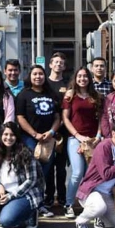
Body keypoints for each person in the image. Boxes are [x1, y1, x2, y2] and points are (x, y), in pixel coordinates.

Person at [0, 122, 45, 228]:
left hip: (25, 194)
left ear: (17, 137)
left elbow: (31, 180)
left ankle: (31, 213)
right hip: (5, 191)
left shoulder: (25, 154)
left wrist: (10, 197)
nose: (8, 138)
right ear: (0, 136)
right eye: (5, 134)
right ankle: (10, 209)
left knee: (6, 221)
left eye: (12, 135)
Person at [15, 65, 61, 218]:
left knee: (44, 172)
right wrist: (34, 134)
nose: (38, 77)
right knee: (31, 172)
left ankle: (40, 204)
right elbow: (20, 117)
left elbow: (57, 117)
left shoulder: (51, 94)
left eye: (41, 74)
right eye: (35, 74)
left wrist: (51, 132)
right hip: (30, 138)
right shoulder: (23, 95)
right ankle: (30, 204)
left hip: (48, 139)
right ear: (30, 76)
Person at [62, 67, 101, 219]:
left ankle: (88, 204)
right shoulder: (69, 96)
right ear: (75, 78)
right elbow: (65, 118)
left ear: (89, 79)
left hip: (93, 140)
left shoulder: (96, 96)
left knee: (89, 174)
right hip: (75, 139)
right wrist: (78, 136)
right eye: (80, 76)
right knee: (77, 173)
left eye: (85, 76)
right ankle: (69, 204)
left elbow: (100, 118)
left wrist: (98, 136)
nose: (82, 79)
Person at [45, 52, 70, 210]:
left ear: (64, 66)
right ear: (50, 65)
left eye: (61, 63)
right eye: (55, 62)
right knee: (48, 165)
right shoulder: (44, 83)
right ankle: (48, 196)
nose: (58, 65)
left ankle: (62, 196)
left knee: (61, 168)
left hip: (64, 131)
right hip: (47, 131)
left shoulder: (68, 84)